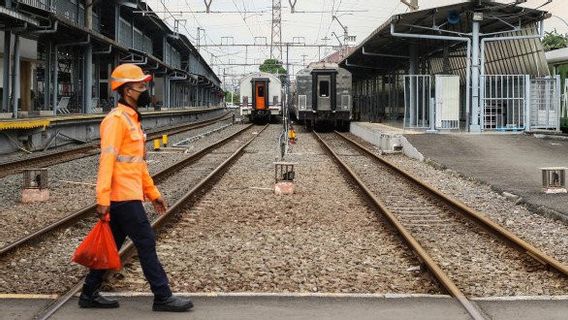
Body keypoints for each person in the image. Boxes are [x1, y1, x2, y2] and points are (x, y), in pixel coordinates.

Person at [79, 64, 193, 312]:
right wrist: (103, 198)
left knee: (117, 240)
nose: (145, 89)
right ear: (128, 90)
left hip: (129, 194)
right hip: (121, 197)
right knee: (146, 241)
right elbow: (106, 160)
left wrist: (153, 194)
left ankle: (88, 293)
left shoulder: (132, 120)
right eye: (141, 85)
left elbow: (137, 164)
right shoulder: (116, 121)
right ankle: (162, 296)